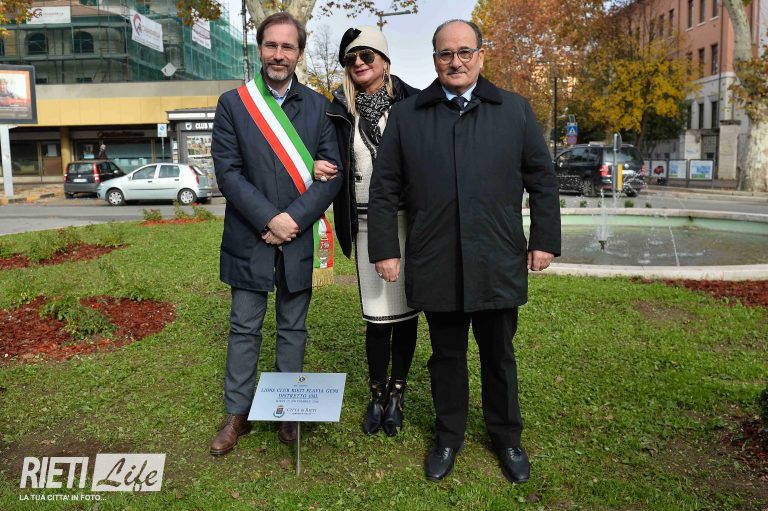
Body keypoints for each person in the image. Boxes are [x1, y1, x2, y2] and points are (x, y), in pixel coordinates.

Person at [367, 20, 561, 483]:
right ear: (434, 59)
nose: (455, 62)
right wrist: (385, 249)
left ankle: (507, 438)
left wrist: (544, 239)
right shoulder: (408, 115)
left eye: (464, 52)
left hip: (497, 258)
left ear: (481, 55)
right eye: (445, 54)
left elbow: (542, 180)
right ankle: (448, 436)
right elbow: (384, 188)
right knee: (446, 357)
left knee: (499, 357)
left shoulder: (514, 110)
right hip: (436, 259)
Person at [209, 12, 343, 455]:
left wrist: (293, 222)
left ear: (299, 52)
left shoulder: (321, 107)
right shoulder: (234, 104)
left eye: (288, 46)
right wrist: (271, 219)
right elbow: (229, 174)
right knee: (244, 327)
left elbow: (333, 175)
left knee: (293, 328)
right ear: (259, 49)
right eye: (271, 45)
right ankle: (237, 413)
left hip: (298, 238)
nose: (279, 54)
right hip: (251, 237)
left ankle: (287, 409)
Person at [314, 26, 420, 437]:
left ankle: (398, 393)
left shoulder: (413, 103)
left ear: (385, 60)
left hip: (409, 223)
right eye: (351, 59)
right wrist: (315, 164)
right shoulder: (340, 110)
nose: (358, 63)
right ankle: (377, 394)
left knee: (407, 313)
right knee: (377, 316)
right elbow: (321, 151)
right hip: (362, 224)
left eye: (367, 55)